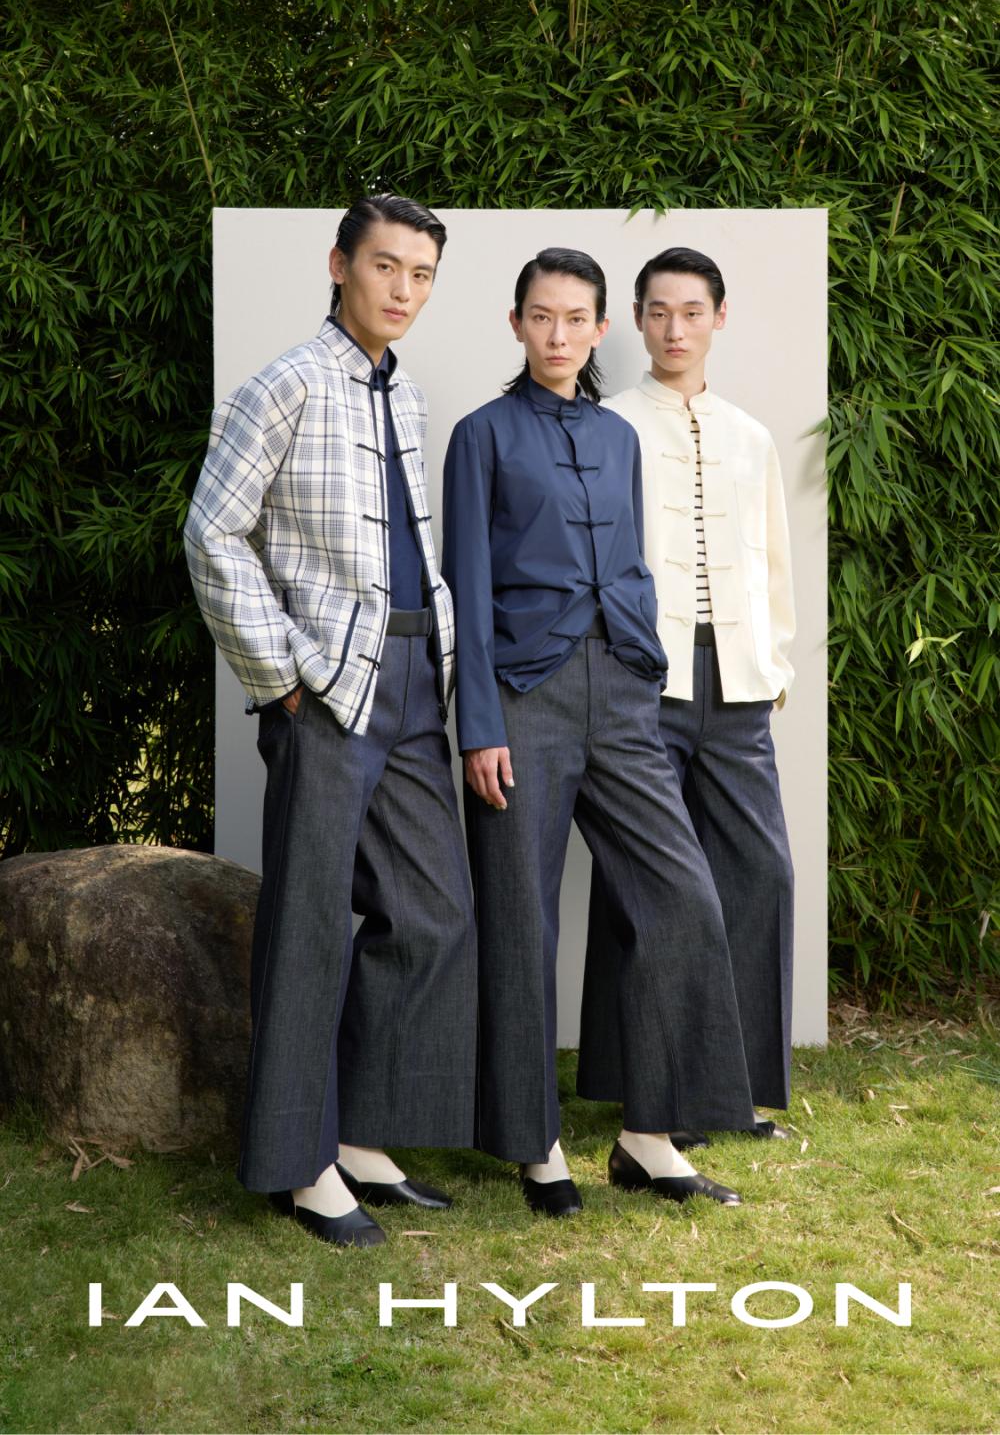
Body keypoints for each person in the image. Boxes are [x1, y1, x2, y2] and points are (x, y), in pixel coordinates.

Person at [184, 194, 477, 1246]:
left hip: (416, 678)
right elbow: (212, 534)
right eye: (385, 265)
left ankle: (360, 1135)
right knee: (310, 925)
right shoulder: (286, 382)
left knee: (433, 914)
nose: (403, 288)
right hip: (327, 686)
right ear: (339, 263)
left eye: (421, 273)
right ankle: (301, 1167)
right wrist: (279, 675)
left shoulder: (408, 396)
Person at [442, 247, 756, 1216]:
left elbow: (632, 564)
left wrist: (645, 665)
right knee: (521, 922)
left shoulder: (617, 437)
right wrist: (479, 726)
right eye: (541, 317)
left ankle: (648, 1136)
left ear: (600, 329)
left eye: (576, 318)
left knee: (681, 899)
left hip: (621, 695)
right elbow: (467, 587)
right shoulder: (481, 435)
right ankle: (535, 1147)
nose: (559, 335)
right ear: (516, 324)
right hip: (521, 703)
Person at [579, 246, 796, 1145]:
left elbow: (774, 563)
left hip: (737, 683)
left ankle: (732, 1093)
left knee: (760, 876)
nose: (676, 329)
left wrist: (774, 666)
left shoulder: (749, 436)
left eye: (692, 311)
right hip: (644, 680)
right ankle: (650, 1095)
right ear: (636, 319)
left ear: (719, 317)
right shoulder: (609, 427)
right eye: (659, 312)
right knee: (645, 889)